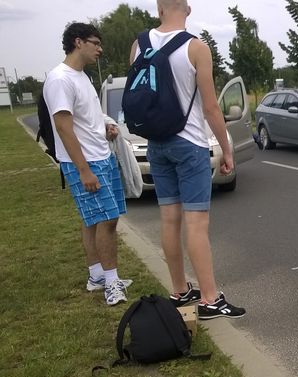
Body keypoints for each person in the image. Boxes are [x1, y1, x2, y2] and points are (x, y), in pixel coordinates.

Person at [129, 0, 245, 319]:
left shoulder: (138, 44)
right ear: (188, 9)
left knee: (169, 219)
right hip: (189, 142)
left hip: (156, 143)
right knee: (196, 223)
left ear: (159, 8)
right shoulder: (196, 48)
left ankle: (180, 290)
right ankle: (210, 299)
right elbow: (210, 108)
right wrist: (227, 148)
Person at [43, 22, 132, 306]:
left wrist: (106, 127)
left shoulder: (82, 77)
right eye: (96, 43)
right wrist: (83, 170)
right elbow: (63, 126)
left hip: (101, 155)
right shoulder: (60, 79)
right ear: (78, 42)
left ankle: (96, 276)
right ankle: (111, 283)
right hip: (85, 162)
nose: (100, 48)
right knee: (106, 221)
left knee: (96, 219)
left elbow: (87, 118)